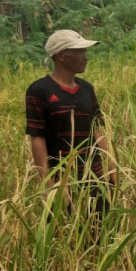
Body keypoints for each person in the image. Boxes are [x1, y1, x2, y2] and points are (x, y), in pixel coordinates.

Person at [25, 29, 115, 219]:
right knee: (66, 237)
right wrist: (48, 184)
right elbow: (37, 137)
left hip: (94, 177)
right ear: (61, 56)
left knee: (101, 231)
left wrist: (111, 169)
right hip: (63, 181)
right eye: (80, 51)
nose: (85, 57)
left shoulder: (87, 89)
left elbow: (97, 130)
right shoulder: (39, 91)